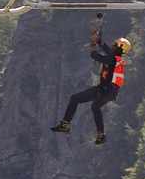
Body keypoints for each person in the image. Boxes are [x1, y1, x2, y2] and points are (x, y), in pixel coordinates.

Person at [51, 15, 130, 144]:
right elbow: (103, 45)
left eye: (115, 44)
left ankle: (65, 124)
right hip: (110, 92)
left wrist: (93, 46)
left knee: (75, 99)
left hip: (105, 90)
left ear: (119, 47)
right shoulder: (116, 57)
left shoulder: (112, 59)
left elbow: (96, 56)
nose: (113, 45)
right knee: (95, 107)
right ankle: (101, 135)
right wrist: (97, 35)